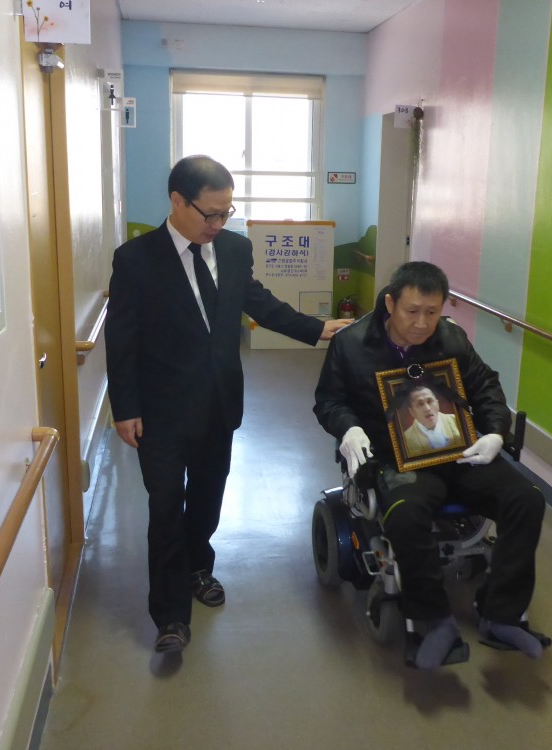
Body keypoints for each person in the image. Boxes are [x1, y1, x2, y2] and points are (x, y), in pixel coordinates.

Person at [106, 155, 352, 655]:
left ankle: (199, 567)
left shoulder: (235, 249)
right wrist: (124, 407)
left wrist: (317, 328)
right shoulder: (135, 259)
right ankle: (170, 616)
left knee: (207, 495)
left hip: (218, 402)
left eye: (227, 212)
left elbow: (257, 301)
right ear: (178, 201)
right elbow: (121, 339)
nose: (219, 223)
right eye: (210, 213)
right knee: (165, 506)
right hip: (160, 410)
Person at [313, 261, 549, 669]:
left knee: (526, 499)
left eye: (432, 312)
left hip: (457, 452)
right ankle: (436, 622)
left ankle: (502, 616)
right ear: (390, 304)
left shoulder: (451, 338)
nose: (422, 323)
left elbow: (485, 386)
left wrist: (495, 432)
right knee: (406, 516)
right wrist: (348, 428)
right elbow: (329, 401)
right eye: (412, 311)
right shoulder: (351, 344)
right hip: (395, 460)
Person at [401, 384, 462, 455]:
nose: (427, 409)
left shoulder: (458, 421)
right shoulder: (405, 440)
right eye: (420, 404)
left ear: (437, 404)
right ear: (412, 412)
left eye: (430, 401)